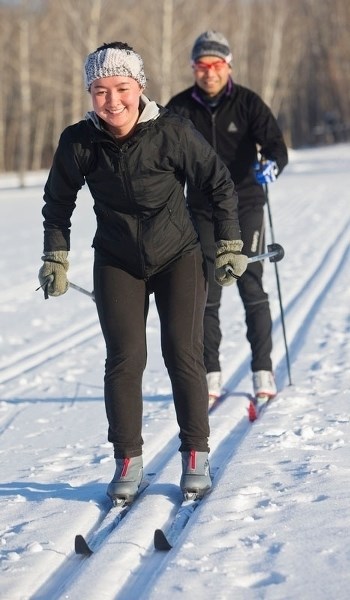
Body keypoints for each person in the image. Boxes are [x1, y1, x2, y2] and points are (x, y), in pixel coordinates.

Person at [37, 41, 248, 504]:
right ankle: (128, 460)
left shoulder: (172, 132)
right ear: (89, 93)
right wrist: (56, 255)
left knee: (182, 352)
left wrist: (230, 242)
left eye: (122, 88)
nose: (112, 101)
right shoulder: (79, 141)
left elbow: (217, 182)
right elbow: (58, 203)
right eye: (100, 90)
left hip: (178, 255)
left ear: (140, 88)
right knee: (125, 358)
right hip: (117, 258)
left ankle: (195, 453)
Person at [167, 31, 288, 405]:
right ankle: (210, 374)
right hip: (201, 210)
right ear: (193, 69)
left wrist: (271, 166)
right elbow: (165, 154)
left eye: (216, 65)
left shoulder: (249, 103)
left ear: (228, 66)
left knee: (251, 283)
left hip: (246, 204)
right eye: (201, 66)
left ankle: (262, 369)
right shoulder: (179, 107)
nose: (209, 72)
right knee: (206, 293)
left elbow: (276, 148)